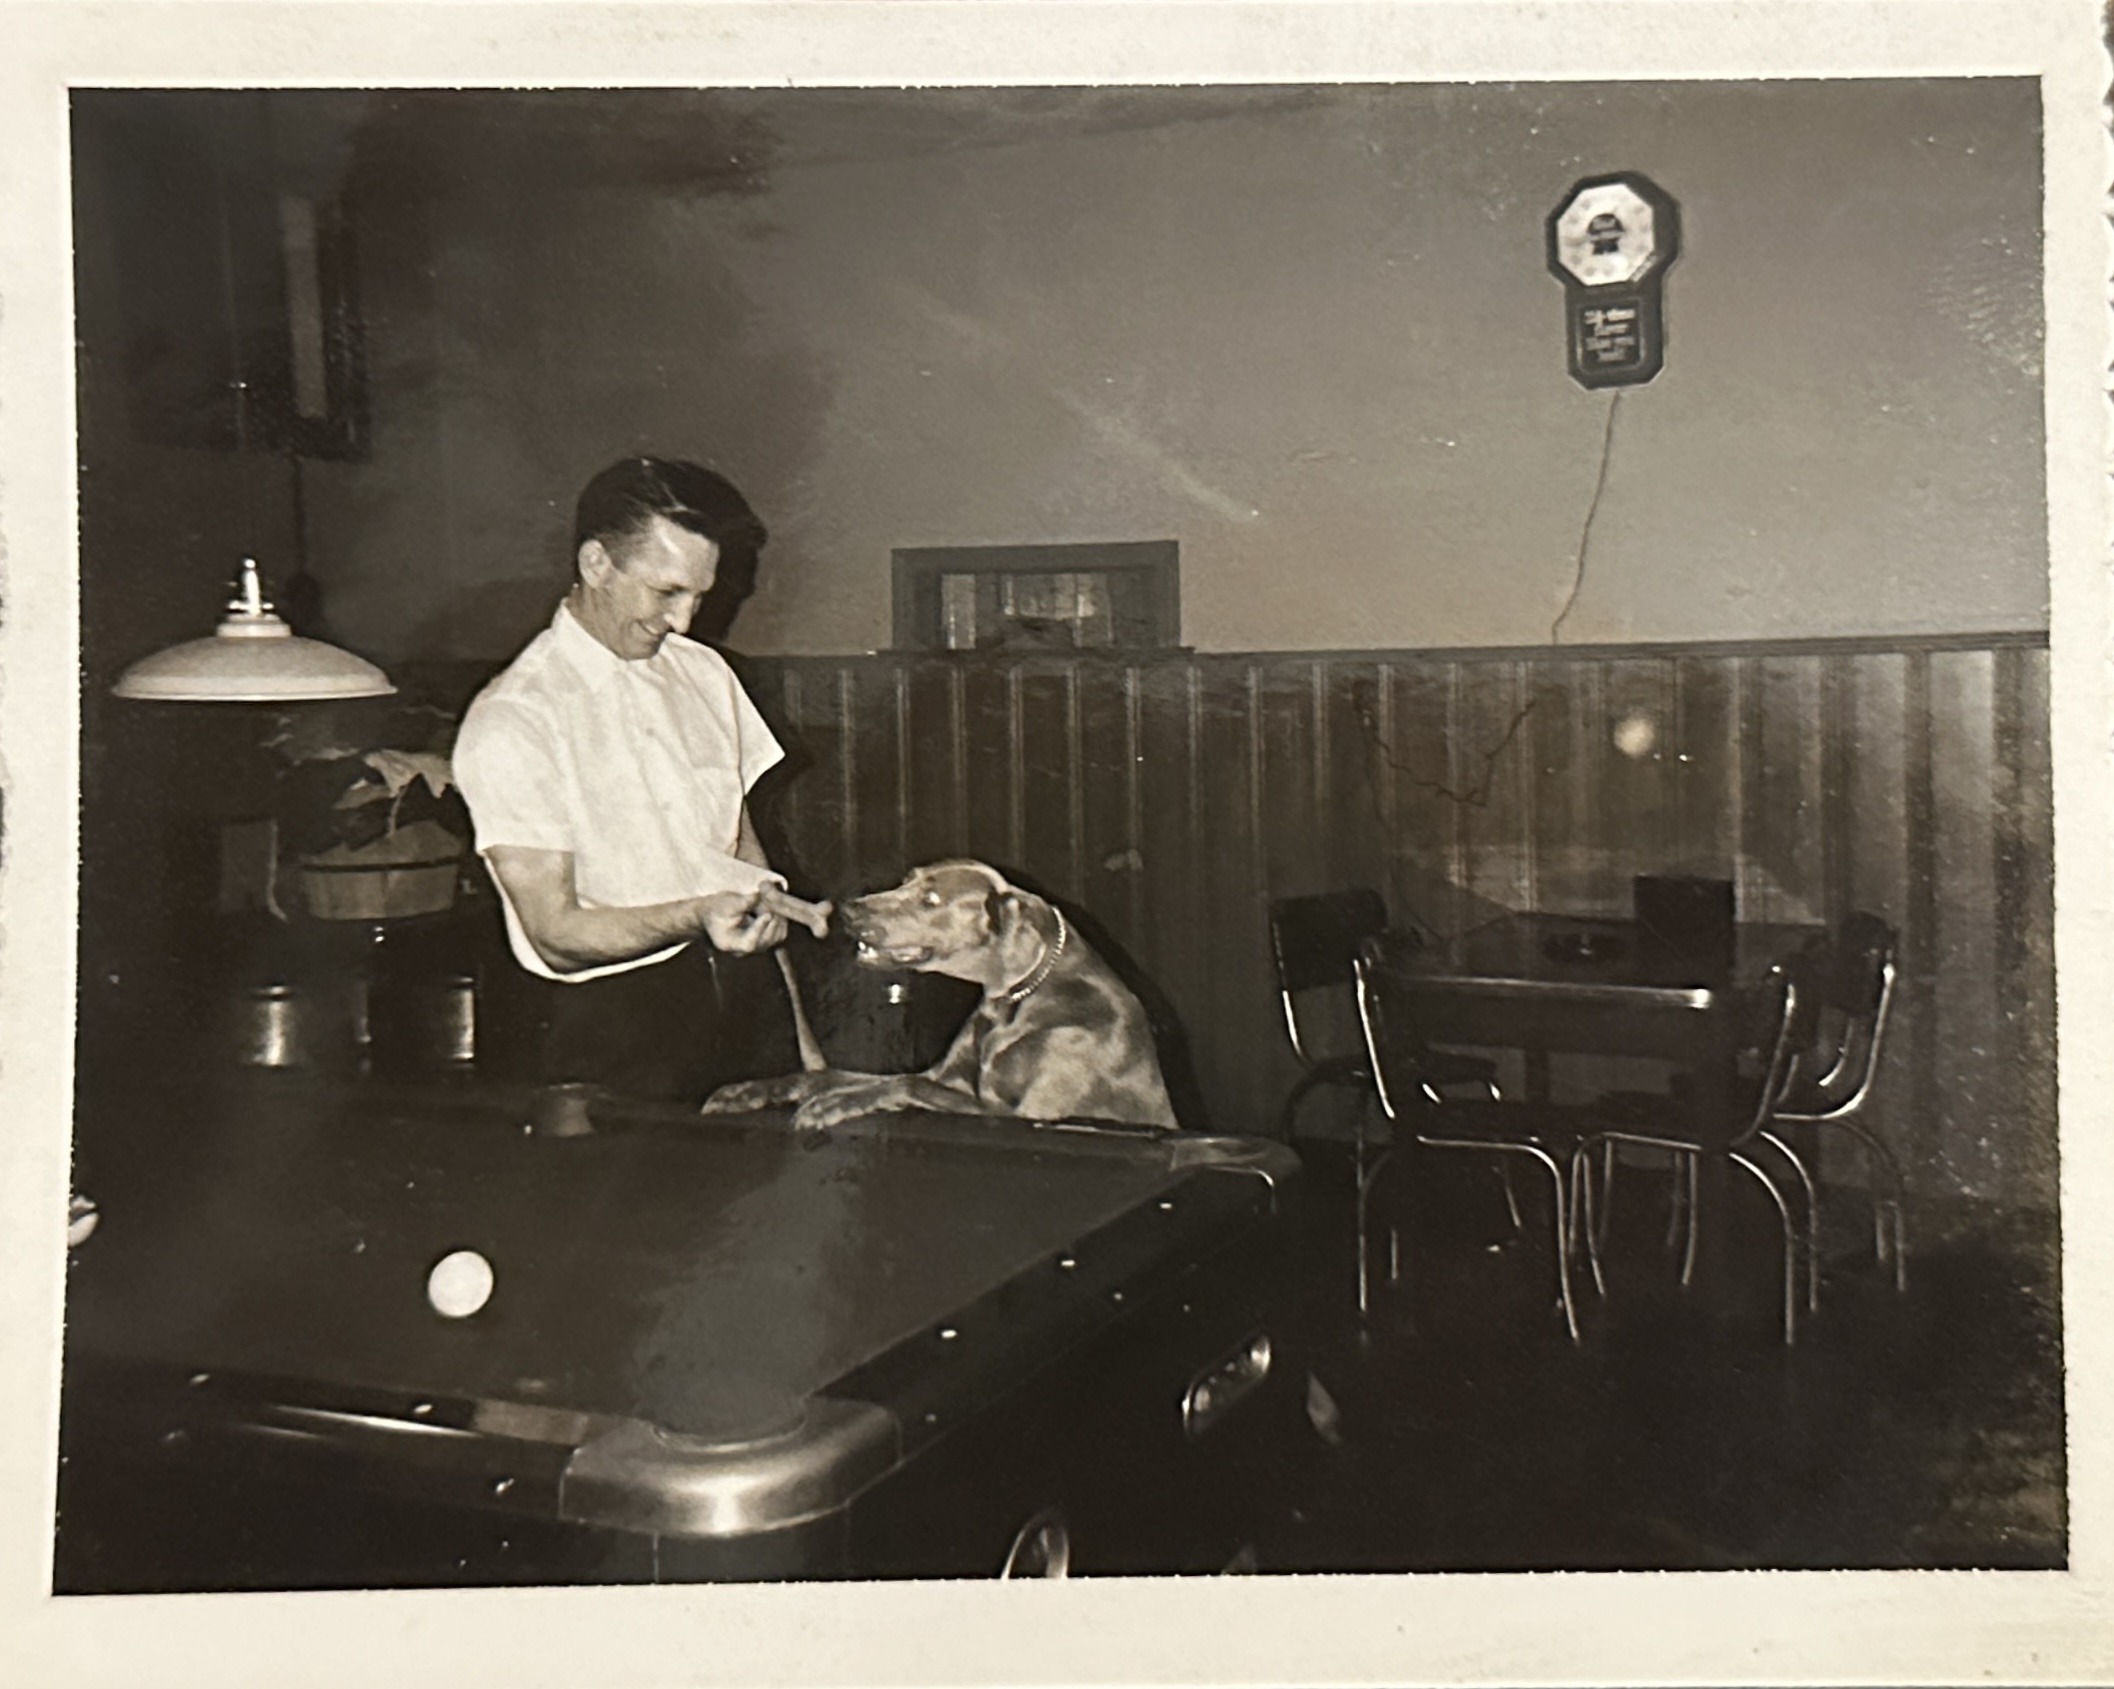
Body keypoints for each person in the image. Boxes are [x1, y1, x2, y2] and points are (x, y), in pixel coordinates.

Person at [452, 456, 816, 1101]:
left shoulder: (706, 675)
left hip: (743, 1000)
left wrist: (799, 1043)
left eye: (699, 596)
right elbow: (556, 935)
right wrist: (696, 915)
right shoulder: (516, 717)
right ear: (597, 565)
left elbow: (742, 857)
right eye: (666, 591)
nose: (683, 620)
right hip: (611, 1031)